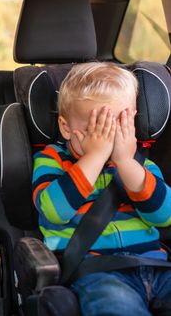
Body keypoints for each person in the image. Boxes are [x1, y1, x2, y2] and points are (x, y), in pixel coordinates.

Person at [32, 62, 171, 315]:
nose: (107, 139)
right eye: (96, 129)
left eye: (117, 126)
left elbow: (164, 216)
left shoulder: (141, 164)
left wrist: (126, 162)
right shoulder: (52, 160)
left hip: (156, 266)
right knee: (117, 306)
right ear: (65, 127)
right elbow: (53, 211)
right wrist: (94, 157)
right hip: (98, 271)